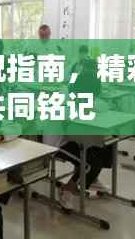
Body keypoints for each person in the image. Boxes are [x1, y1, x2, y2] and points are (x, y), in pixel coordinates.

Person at [45, 58, 115, 210]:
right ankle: (68, 189)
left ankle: (91, 179)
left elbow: (101, 106)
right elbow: (72, 124)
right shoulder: (65, 101)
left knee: (107, 148)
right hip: (58, 144)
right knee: (91, 162)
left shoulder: (82, 98)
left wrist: (91, 105)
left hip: (75, 139)